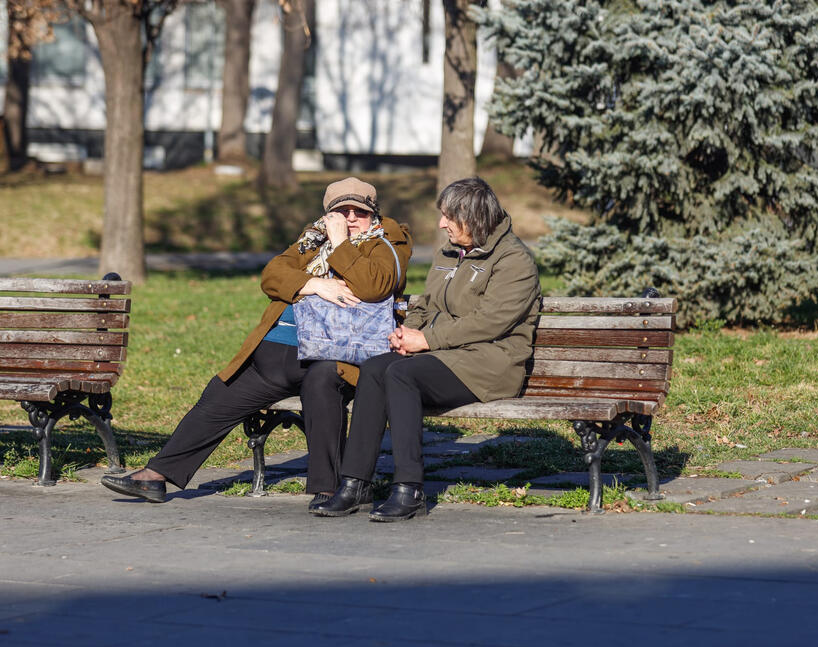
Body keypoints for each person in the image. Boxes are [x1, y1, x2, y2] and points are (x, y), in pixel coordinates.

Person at [101, 177, 412, 510]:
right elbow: (273, 274)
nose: (350, 218)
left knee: (322, 383)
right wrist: (315, 285)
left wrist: (339, 244)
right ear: (327, 214)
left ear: (373, 214)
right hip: (274, 355)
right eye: (341, 211)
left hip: (333, 356)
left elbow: (374, 286)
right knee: (220, 392)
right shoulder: (312, 240)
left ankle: (329, 487)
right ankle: (157, 475)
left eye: (359, 212)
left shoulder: (387, 244)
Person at [310, 177, 541, 521]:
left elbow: (490, 322)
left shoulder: (514, 261)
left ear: (474, 218)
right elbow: (426, 303)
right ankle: (355, 482)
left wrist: (428, 341)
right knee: (375, 369)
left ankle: (409, 488)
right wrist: (408, 332)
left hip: (491, 363)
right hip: (446, 355)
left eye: (449, 217)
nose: (441, 224)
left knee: (402, 374)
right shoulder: (449, 253)